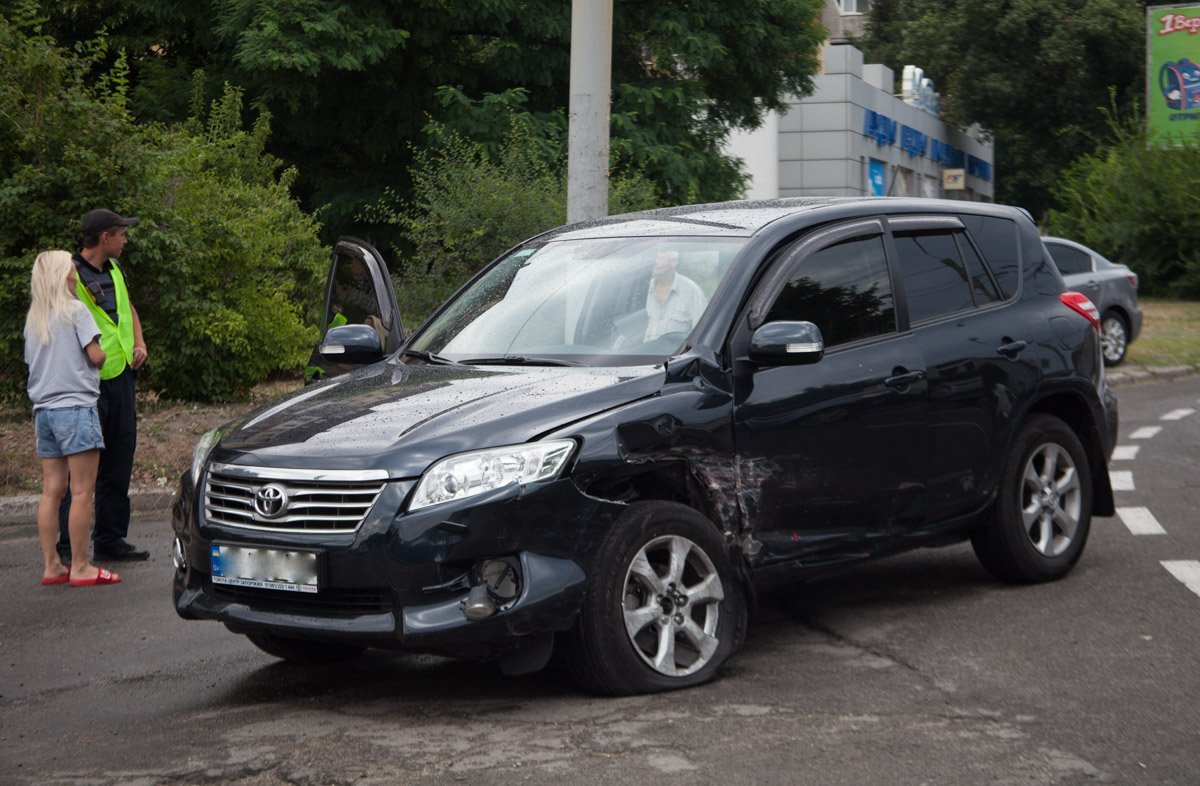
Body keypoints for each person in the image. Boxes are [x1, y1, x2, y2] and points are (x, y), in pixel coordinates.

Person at [56, 209, 149, 563]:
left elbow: (128, 307)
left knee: (119, 461)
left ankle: (110, 539)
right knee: (80, 468)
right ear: (105, 237)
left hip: (121, 376)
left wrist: (139, 342)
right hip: (86, 383)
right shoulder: (69, 275)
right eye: (121, 234)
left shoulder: (115, 269)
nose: (126, 239)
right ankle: (68, 548)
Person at [24, 251, 121, 587]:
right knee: (81, 492)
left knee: (52, 491)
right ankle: (80, 566)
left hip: (44, 412)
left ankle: (52, 564)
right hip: (76, 408)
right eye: (71, 270)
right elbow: (96, 356)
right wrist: (104, 352)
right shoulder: (76, 311)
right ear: (61, 276)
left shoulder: (34, 319)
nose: (75, 275)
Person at [643, 249, 707, 341]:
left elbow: (702, 336)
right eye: (653, 258)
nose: (655, 262)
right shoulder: (643, 290)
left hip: (677, 350)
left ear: (673, 262)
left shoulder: (691, 290)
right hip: (643, 349)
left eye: (660, 258)